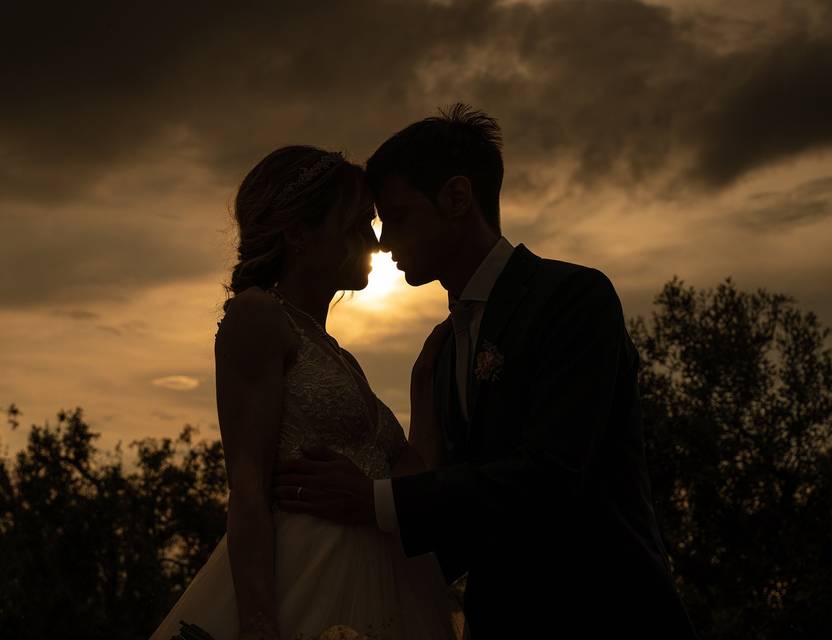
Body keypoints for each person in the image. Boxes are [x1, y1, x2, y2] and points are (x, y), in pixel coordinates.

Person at [273, 106, 698, 638]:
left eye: (397, 217)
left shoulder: (573, 299)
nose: (383, 243)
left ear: (456, 198)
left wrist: (374, 499)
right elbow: (464, 520)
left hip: (607, 615)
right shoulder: (445, 351)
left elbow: (552, 478)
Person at [149, 146, 460, 640]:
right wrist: (258, 624)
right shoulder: (257, 317)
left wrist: (423, 383)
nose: (375, 243)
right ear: (298, 233)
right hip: (305, 587)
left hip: (387, 590)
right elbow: (247, 489)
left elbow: (411, 478)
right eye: (356, 225)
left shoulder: (339, 356)